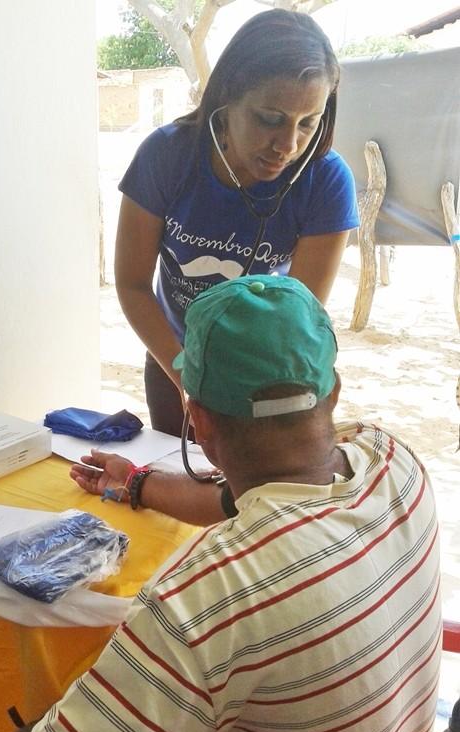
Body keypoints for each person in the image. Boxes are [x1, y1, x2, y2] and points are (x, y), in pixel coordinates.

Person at [0, 275, 440, 732]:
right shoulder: (392, 459)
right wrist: (137, 484)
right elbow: (245, 497)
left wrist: (46, 728)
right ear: (333, 393)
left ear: (197, 421)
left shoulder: (208, 596)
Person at [115, 9, 359, 436]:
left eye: (308, 123)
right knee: (176, 479)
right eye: (270, 119)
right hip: (173, 353)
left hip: (264, 367)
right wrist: (186, 374)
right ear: (227, 97)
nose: (287, 145)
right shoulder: (166, 157)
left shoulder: (328, 182)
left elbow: (295, 316)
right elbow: (133, 284)